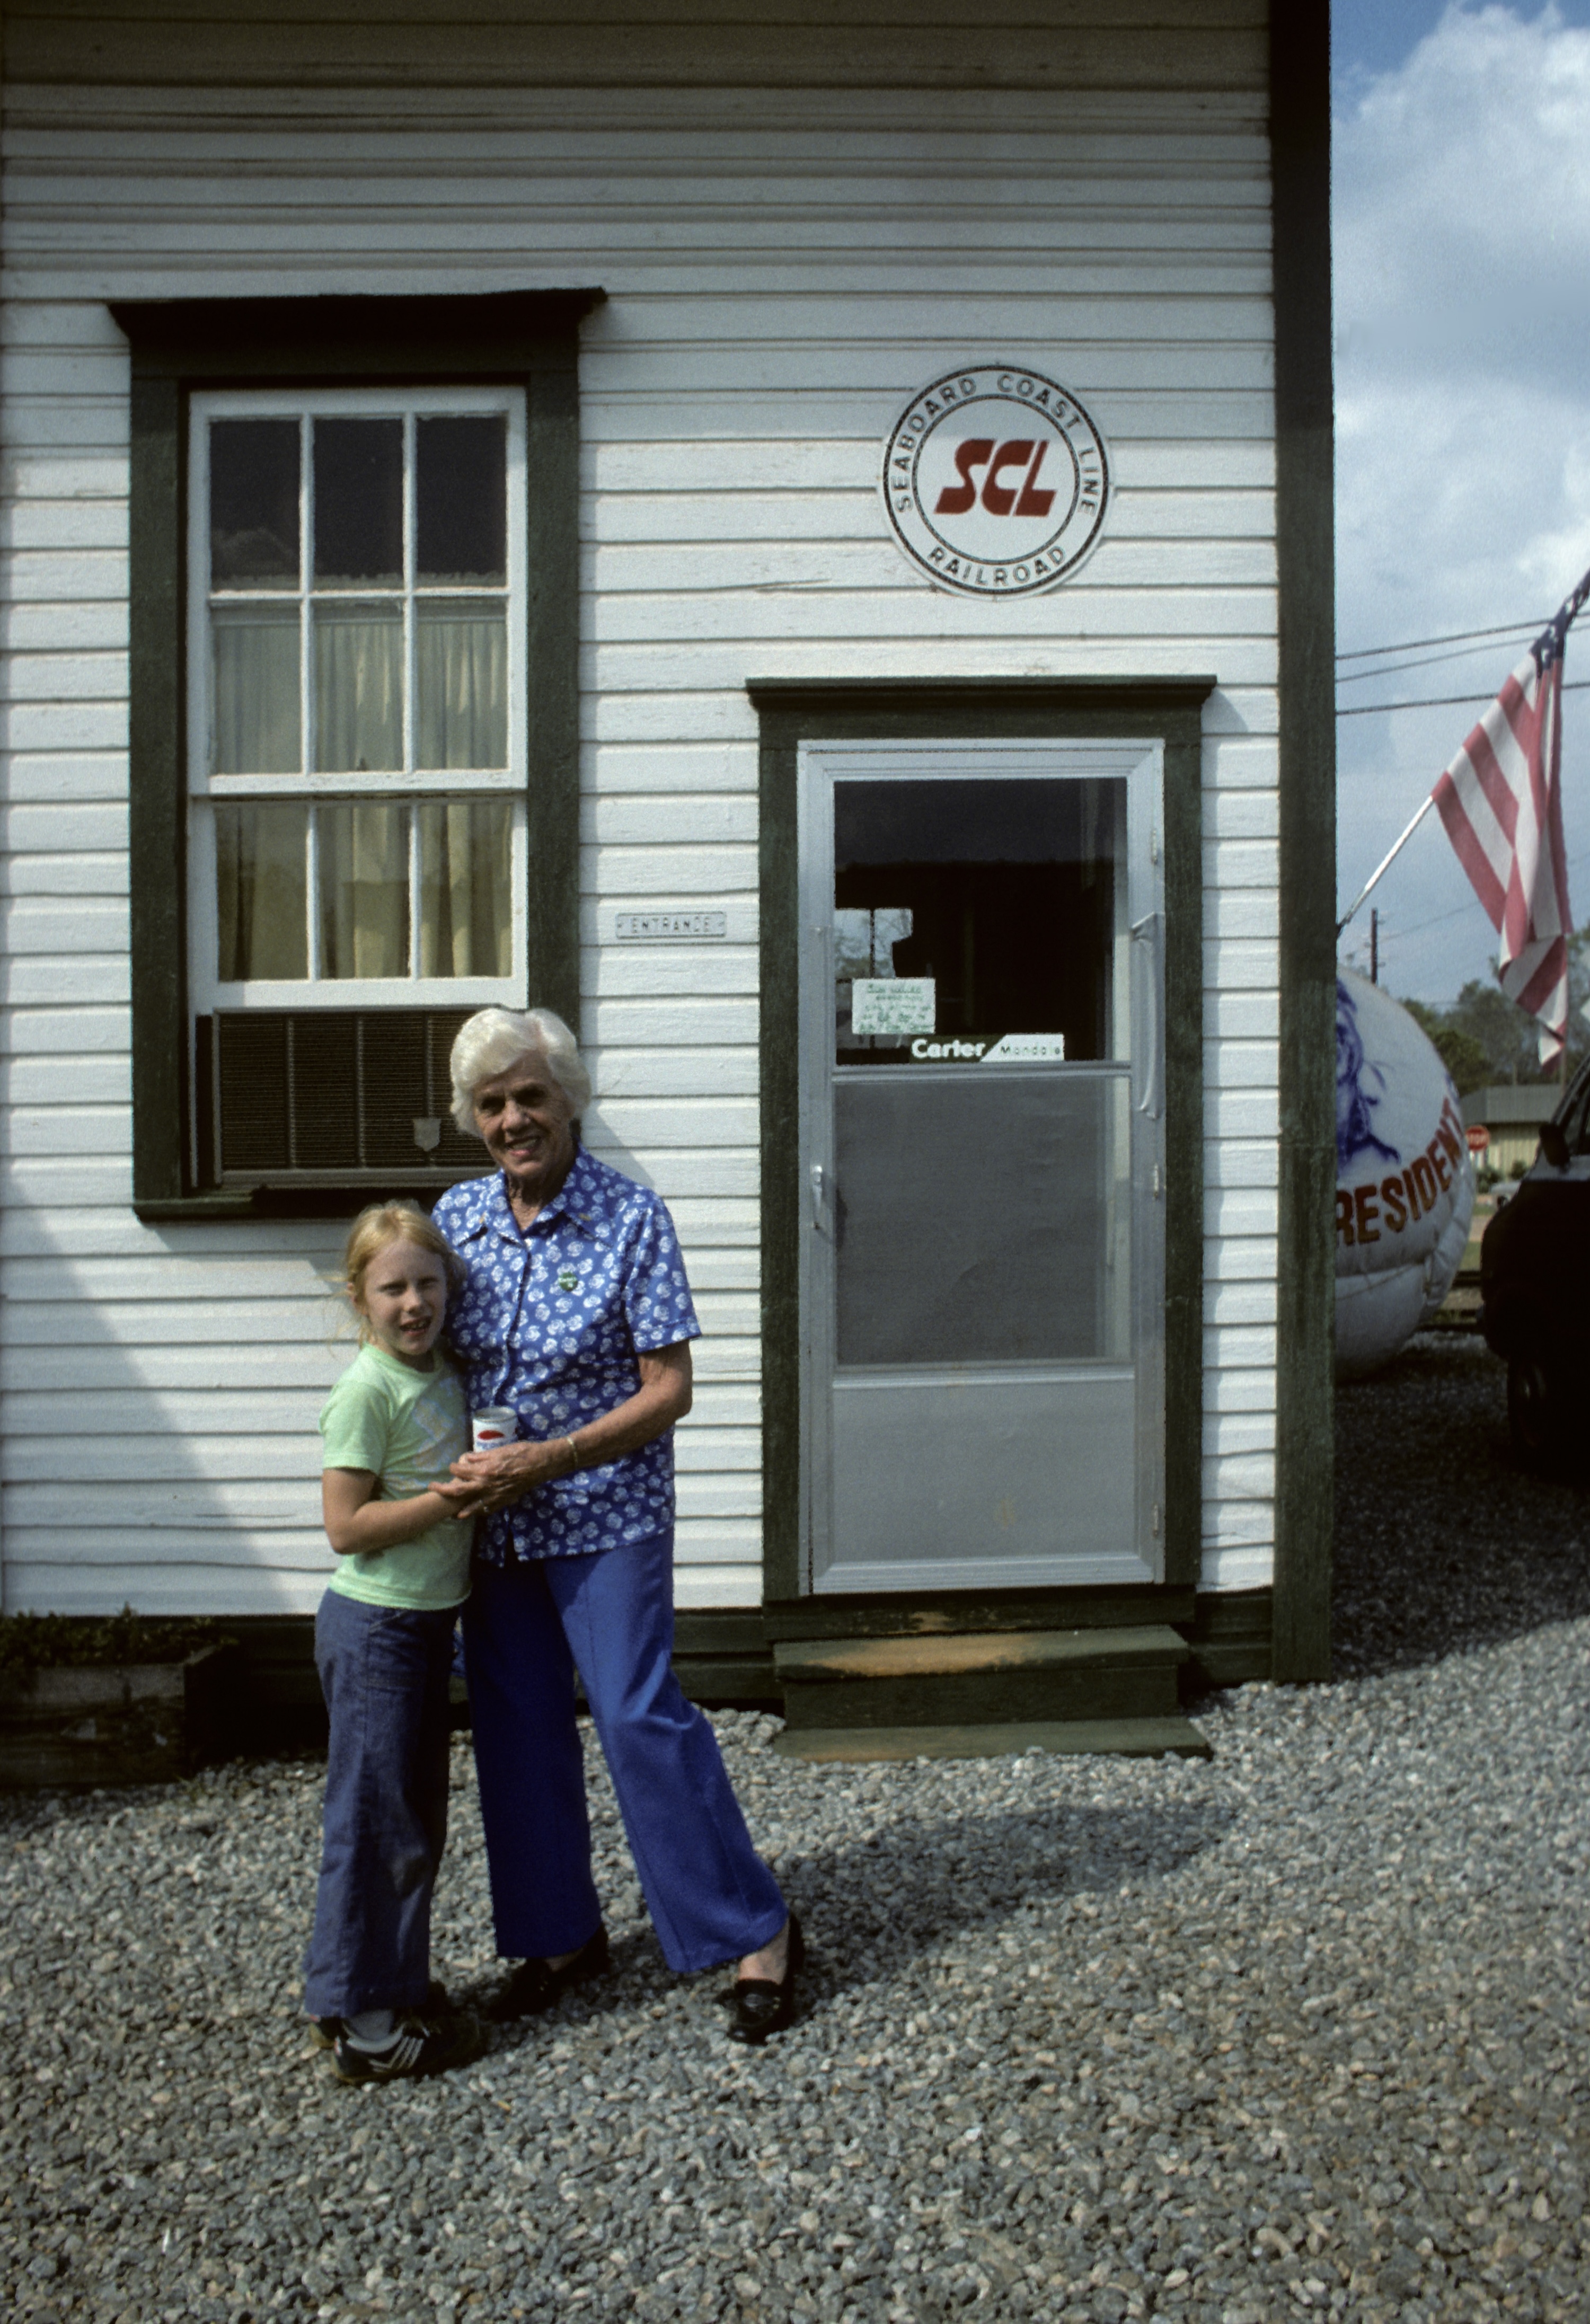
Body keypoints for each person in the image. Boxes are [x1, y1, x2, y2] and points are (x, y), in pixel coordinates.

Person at [430, 1006, 801, 2044]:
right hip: (497, 1524)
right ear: (473, 1117)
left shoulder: (630, 1218)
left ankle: (755, 1928)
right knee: (515, 1722)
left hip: (606, 1508)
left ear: (569, 1099)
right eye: (492, 1103)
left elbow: (669, 1388)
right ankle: (557, 1936)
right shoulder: (456, 1217)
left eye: (530, 1096)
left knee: (638, 1715)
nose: (513, 1119)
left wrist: (552, 1456)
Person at [302, 1203, 484, 2084]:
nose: (414, 1303)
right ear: (359, 1298)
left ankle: (376, 1985)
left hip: (424, 1624)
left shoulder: (443, 1371)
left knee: (411, 1818)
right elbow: (346, 1525)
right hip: (375, 1625)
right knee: (376, 1822)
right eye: (392, 1288)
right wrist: (448, 1501)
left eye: (427, 1282)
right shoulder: (366, 1390)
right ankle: (369, 2030)